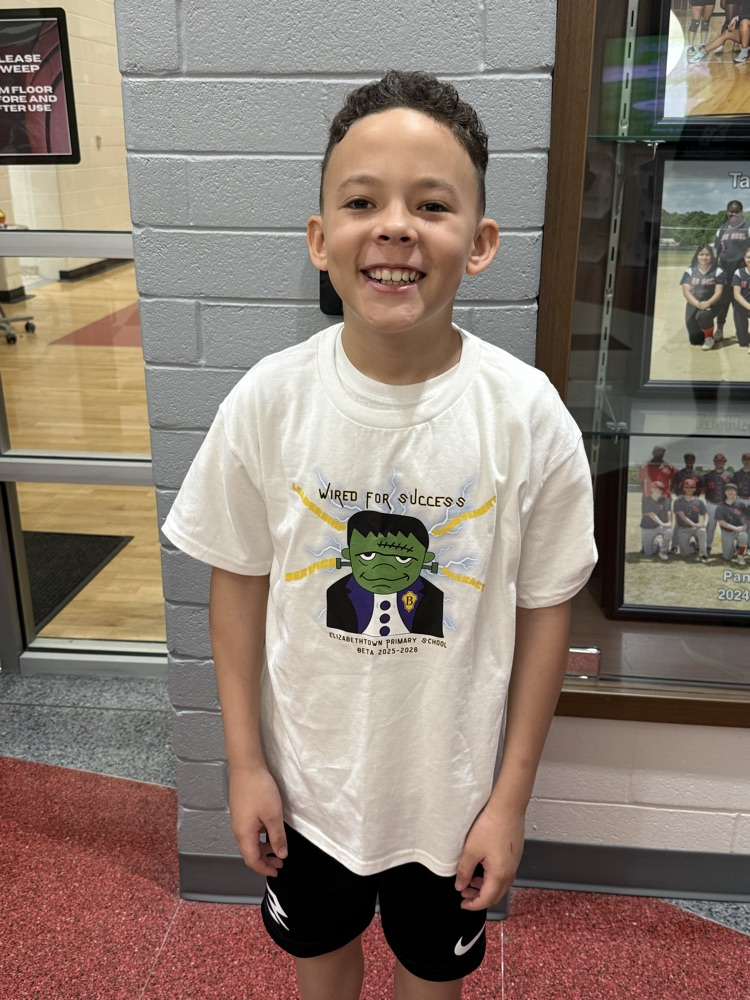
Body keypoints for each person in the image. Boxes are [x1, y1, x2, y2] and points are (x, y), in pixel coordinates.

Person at [161, 70, 597, 1000]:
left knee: (430, 978)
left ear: (478, 244)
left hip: (454, 800)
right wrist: (245, 766)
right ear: (322, 240)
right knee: (321, 964)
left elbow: (546, 611)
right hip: (310, 790)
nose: (395, 226)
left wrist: (509, 803)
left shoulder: (527, 416)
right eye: (363, 201)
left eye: (430, 205)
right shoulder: (268, 403)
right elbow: (236, 584)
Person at [713, 201, 750, 336]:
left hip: (740, 272)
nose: (733, 213)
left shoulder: (747, 228)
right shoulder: (721, 229)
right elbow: (716, 251)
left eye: (737, 211)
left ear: (741, 212)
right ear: (727, 212)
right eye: (731, 211)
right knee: (723, 302)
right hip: (724, 272)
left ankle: (742, 331)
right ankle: (720, 329)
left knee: (740, 303)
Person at [679, 244, 725, 350]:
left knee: (703, 315)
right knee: (695, 340)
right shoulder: (690, 271)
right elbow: (686, 291)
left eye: (707, 255)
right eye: (701, 254)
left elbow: (719, 291)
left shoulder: (717, 271)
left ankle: (709, 338)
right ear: (697, 256)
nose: (704, 257)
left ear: (711, 256)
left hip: (713, 303)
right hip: (694, 302)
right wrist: (697, 304)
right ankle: (704, 331)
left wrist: (708, 303)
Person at [699, 452, 734, 553]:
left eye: (721, 461)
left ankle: (727, 548)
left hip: (725, 505)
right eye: (717, 461)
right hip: (711, 504)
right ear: (714, 462)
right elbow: (703, 489)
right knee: (710, 526)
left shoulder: (730, 476)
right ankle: (708, 546)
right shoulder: (708, 475)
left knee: (725, 527)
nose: (719, 463)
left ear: (724, 462)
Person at [672, 478, 709, 561]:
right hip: (683, 529)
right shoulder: (678, 501)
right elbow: (682, 517)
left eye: (692, 487)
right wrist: (695, 525)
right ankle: (693, 546)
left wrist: (705, 523)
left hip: (695, 528)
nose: (689, 489)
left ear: (695, 489)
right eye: (687, 487)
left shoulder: (699, 501)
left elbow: (705, 514)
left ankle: (703, 554)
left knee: (702, 530)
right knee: (685, 554)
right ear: (684, 488)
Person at [715, 483, 748, 564]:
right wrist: (734, 528)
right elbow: (721, 522)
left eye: (733, 490)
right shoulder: (720, 506)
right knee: (727, 557)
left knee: (744, 535)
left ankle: (740, 555)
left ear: (736, 492)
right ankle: (732, 550)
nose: (730, 492)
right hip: (727, 531)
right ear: (725, 492)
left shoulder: (741, 505)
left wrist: (744, 526)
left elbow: (745, 519)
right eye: (728, 490)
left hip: (739, 530)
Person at [640, 482, 673, 561]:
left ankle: (663, 551)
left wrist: (670, 522)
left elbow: (668, 511)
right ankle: (658, 545)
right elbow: (651, 514)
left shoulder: (665, 499)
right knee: (648, 553)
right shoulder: (646, 499)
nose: (657, 491)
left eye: (659, 489)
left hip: (660, 526)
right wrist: (663, 524)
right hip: (648, 526)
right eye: (655, 488)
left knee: (669, 531)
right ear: (651, 489)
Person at [732, 244, 750, 352]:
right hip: (742, 305)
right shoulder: (739, 272)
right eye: (748, 257)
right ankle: (743, 333)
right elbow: (736, 294)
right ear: (744, 258)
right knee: (743, 342)